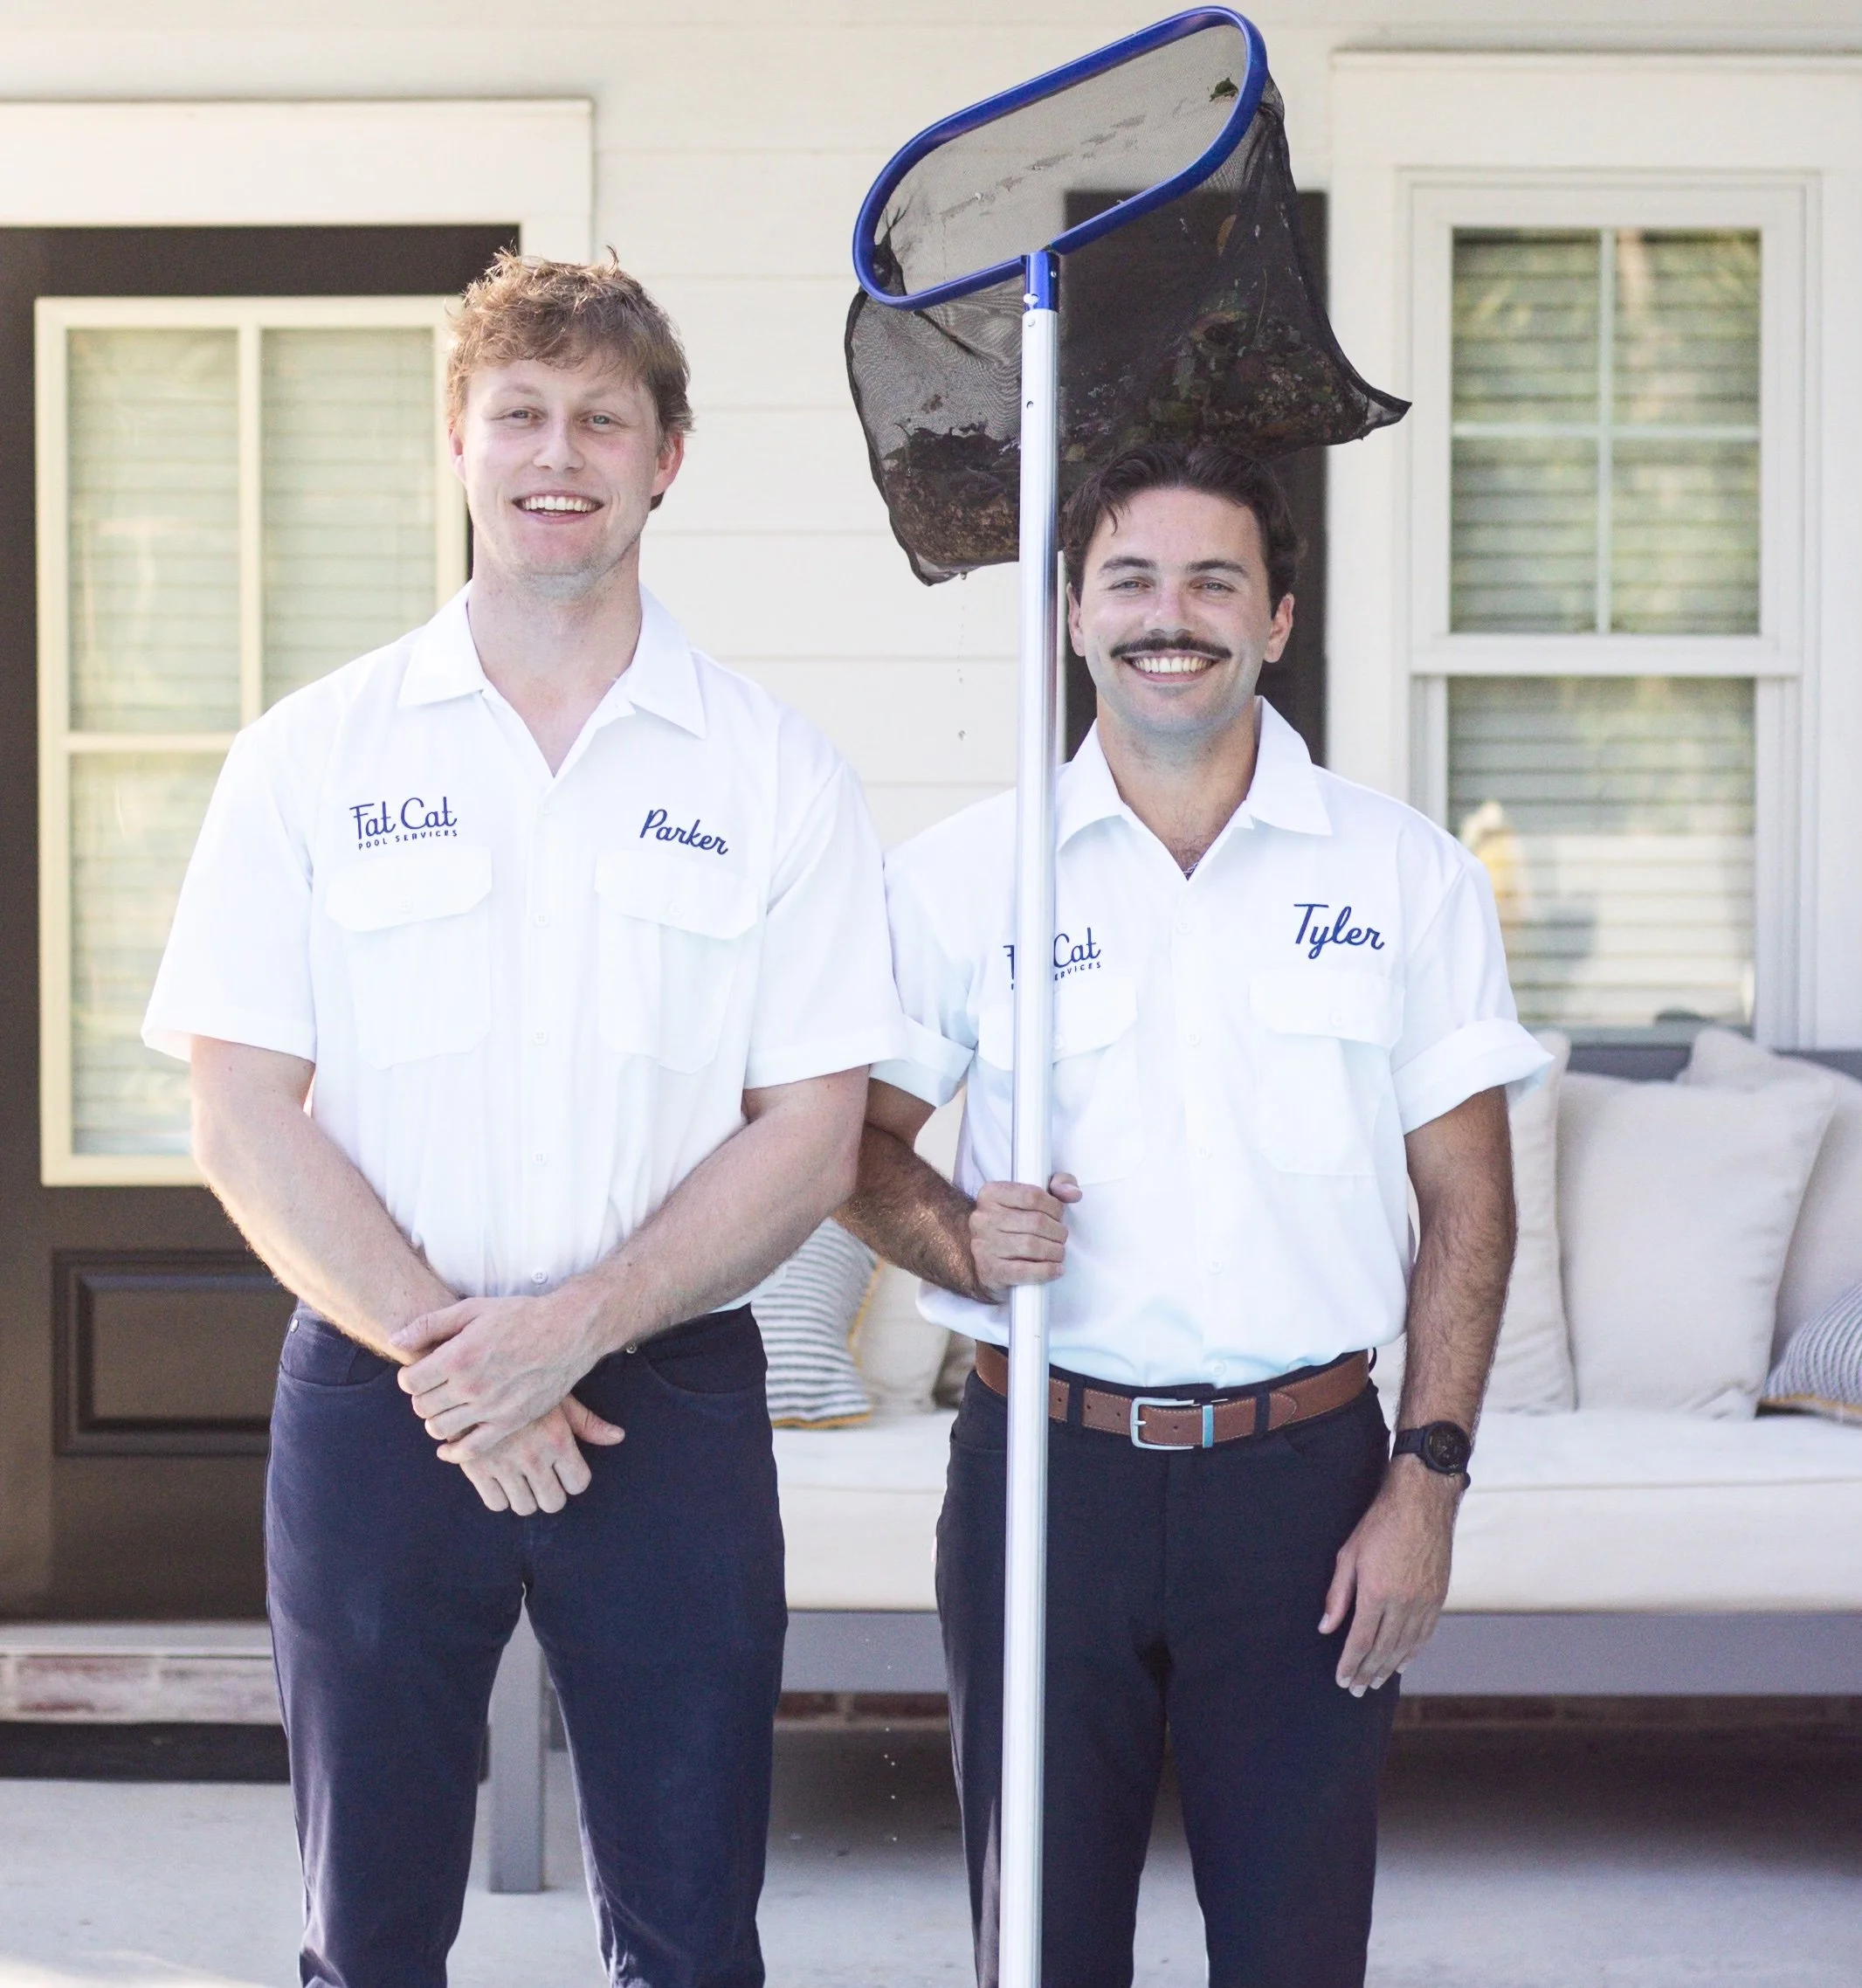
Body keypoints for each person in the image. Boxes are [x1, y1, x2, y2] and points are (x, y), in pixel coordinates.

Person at [143, 252, 903, 1988]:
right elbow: (238, 1106)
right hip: (379, 1387)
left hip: (669, 1401)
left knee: (696, 1930)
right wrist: (460, 1363)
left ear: (667, 458)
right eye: (521, 415)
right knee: (370, 1932)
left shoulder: (770, 769)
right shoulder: (309, 755)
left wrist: (568, 1333)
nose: (558, 454)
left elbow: (810, 1124)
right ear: (459, 443)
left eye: (601, 419)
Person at [839, 439, 1549, 1988]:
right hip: (1042, 1477)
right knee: (1041, 1952)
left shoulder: (1407, 874)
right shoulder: (970, 876)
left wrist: (1425, 1484)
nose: (1175, 616)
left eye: (1216, 581)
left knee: (1297, 1953)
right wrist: (961, 1238)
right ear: (1074, 618)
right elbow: (853, 1148)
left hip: (1306, 1485)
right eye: (1133, 582)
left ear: (1279, 618)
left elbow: (1469, 1200)